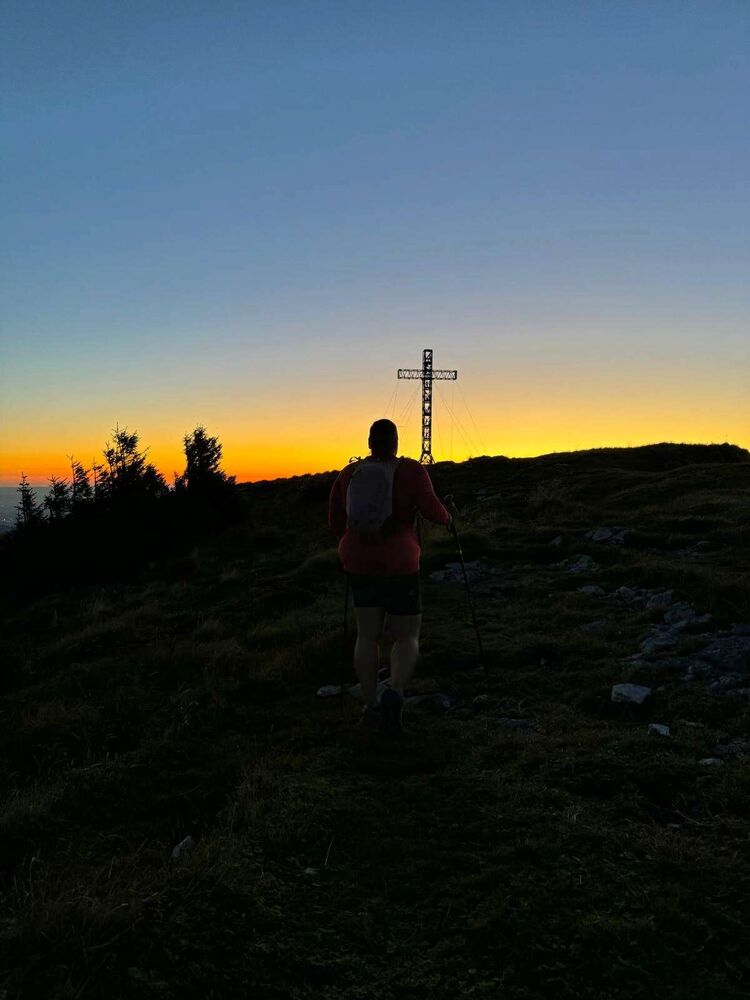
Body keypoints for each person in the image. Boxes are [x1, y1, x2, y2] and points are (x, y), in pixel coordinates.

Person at [328, 418, 452, 736]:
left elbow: (336, 522)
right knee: (406, 636)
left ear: (369, 442)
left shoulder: (349, 473)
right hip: (400, 565)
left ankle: (370, 706)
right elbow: (433, 511)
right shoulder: (411, 471)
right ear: (396, 441)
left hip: (359, 564)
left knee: (366, 636)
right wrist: (449, 516)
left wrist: (356, 545)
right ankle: (394, 691)